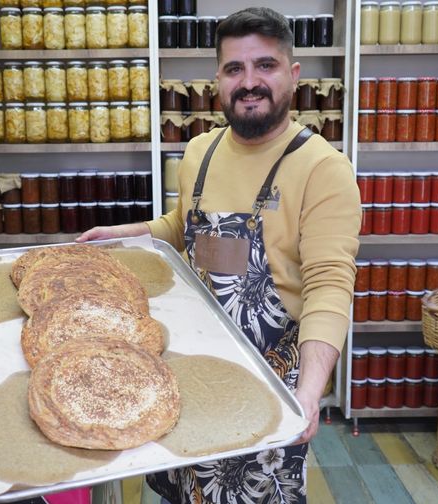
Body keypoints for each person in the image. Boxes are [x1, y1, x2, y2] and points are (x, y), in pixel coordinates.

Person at [77, 7, 360, 503]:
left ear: (294, 75)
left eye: (265, 65)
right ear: (218, 79)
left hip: (266, 388)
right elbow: (182, 228)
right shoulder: (200, 152)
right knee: (185, 489)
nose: (249, 82)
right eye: (234, 68)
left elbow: (329, 286)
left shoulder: (323, 169)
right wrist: (124, 234)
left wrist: (309, 393)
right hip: (191, 367)